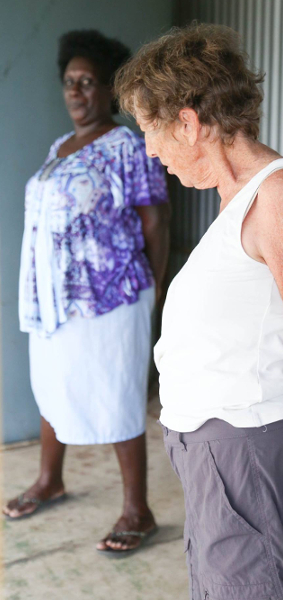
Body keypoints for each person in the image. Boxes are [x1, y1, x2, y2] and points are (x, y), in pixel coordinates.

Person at [114, 23, 283, 598]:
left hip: (250, 458)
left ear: (187, 122)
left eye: (149, 131)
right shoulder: (236, 202)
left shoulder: (281, 200)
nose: (151, 151)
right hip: (225, 462)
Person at [3, 29, 170, 556]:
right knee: (52, 387)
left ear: (108, 90)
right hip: (54, 301)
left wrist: (153, 290)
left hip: (111, 299)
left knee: (117, 397)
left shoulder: (126, 146)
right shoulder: (60, 147)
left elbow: (156, 221)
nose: (76, 92)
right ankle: (50, 479)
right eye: (69, 82)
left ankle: (138, 511)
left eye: (88, 82)